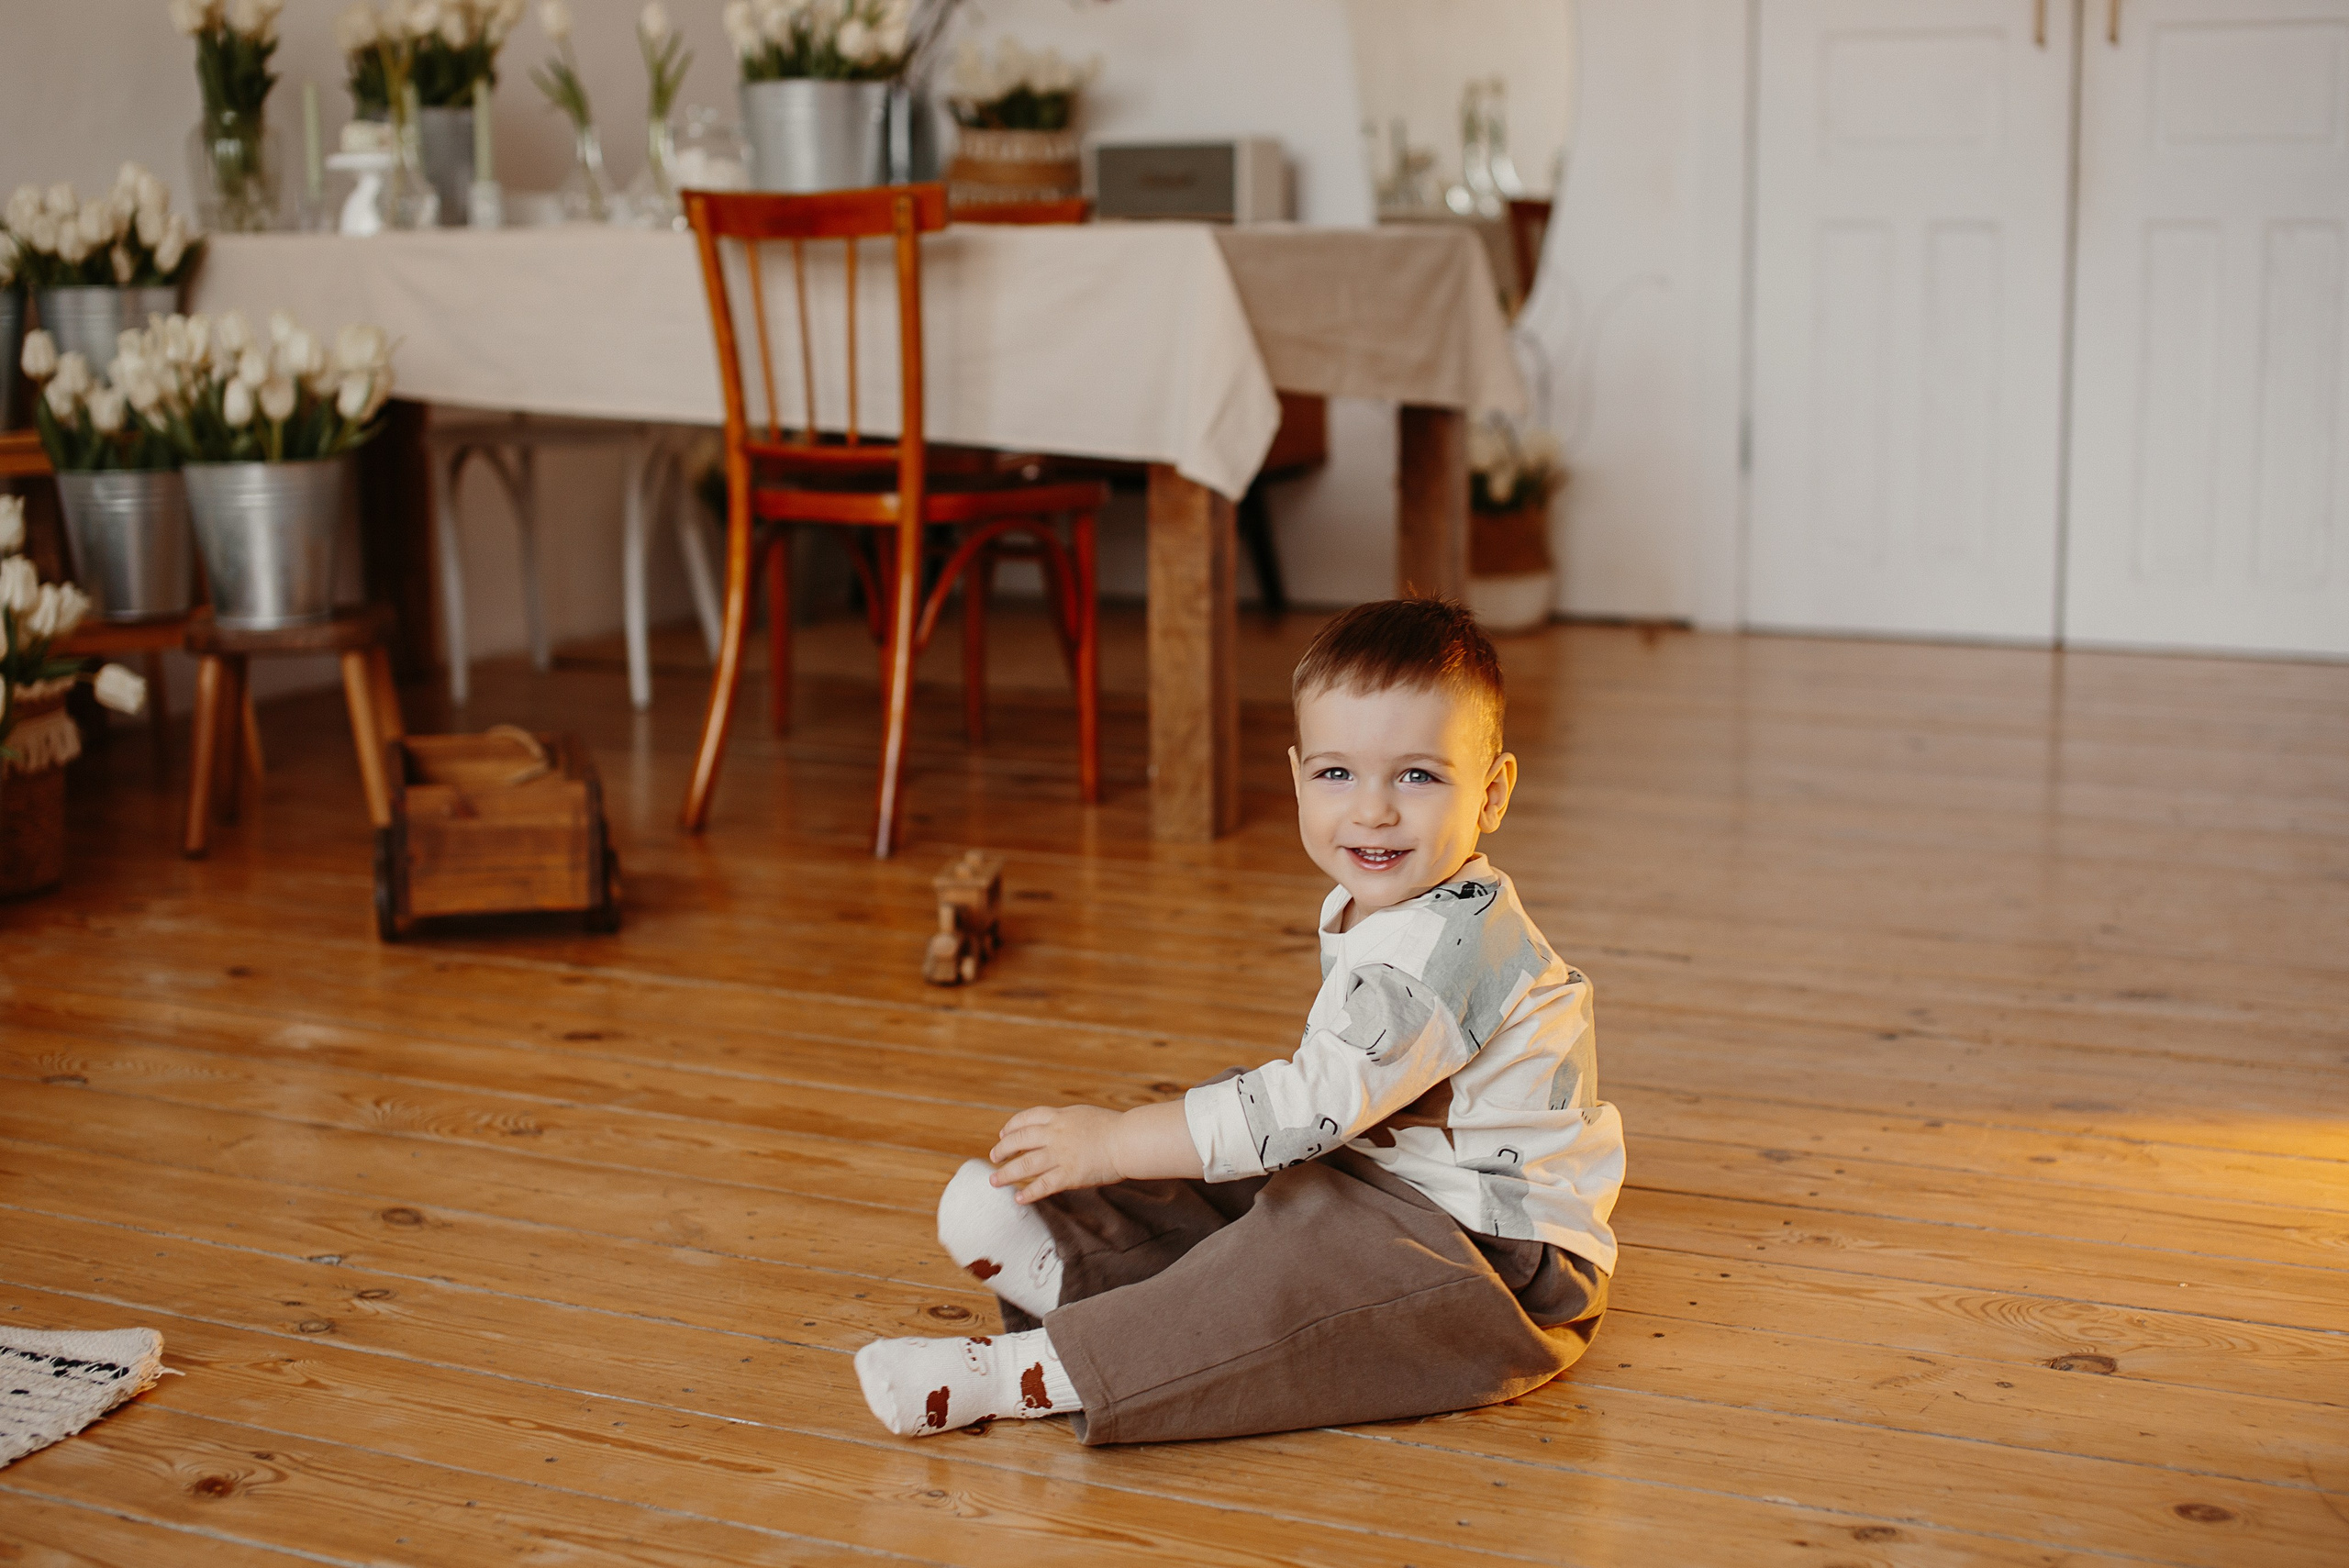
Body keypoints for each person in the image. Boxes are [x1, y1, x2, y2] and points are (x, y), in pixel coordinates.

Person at [854, 597, 1625, 1444]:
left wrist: (1111, 1143)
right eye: (1337, 774)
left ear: (1492, 793)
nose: (1371, 810)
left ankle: (1033, 1372)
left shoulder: (1447, 951)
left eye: (1417, 775)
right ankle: (1082, 1267)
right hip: (1383, 1173)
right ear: (1297, 776)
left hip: (1499, 1258)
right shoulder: (1396, 897)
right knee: (1250, 1138)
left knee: (1308, 1232)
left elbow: (1302, 1110)